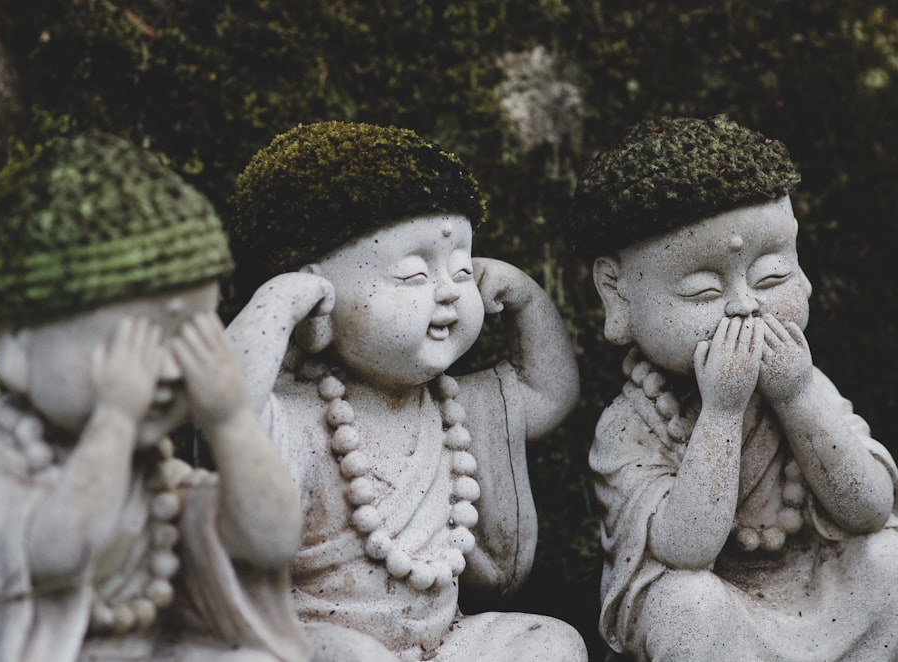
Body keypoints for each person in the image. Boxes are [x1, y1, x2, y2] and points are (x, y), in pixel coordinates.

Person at [0, 132, 310, 662]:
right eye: (132, 341)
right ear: (16, 344)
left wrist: (228, 419)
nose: (171, 367)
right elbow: (58, 554)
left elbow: (271, 542)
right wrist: (113, 419)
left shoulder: (157, 481)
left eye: (192, 336)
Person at [226, 121, 587, 661]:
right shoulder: (297, 418)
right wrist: (278, 305)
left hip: (441, 639)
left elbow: (545, 395)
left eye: (462, 270)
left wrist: (526, 300)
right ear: (318, 304)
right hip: (318, 642)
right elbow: (225, 414)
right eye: (415, 275)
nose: (448, 293)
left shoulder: (455, 409)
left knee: (552, 643)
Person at [568, 114, 898, 661]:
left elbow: (867, 507)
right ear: (618, 295)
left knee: (888, 558)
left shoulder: (801, 383)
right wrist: (721, 410)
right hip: (720, 609)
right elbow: (686, 548)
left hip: (817, 583)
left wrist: (796, 396)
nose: (746, 305)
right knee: (683, 606)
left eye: (772, 276)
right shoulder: (633, 423)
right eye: (701, 290)